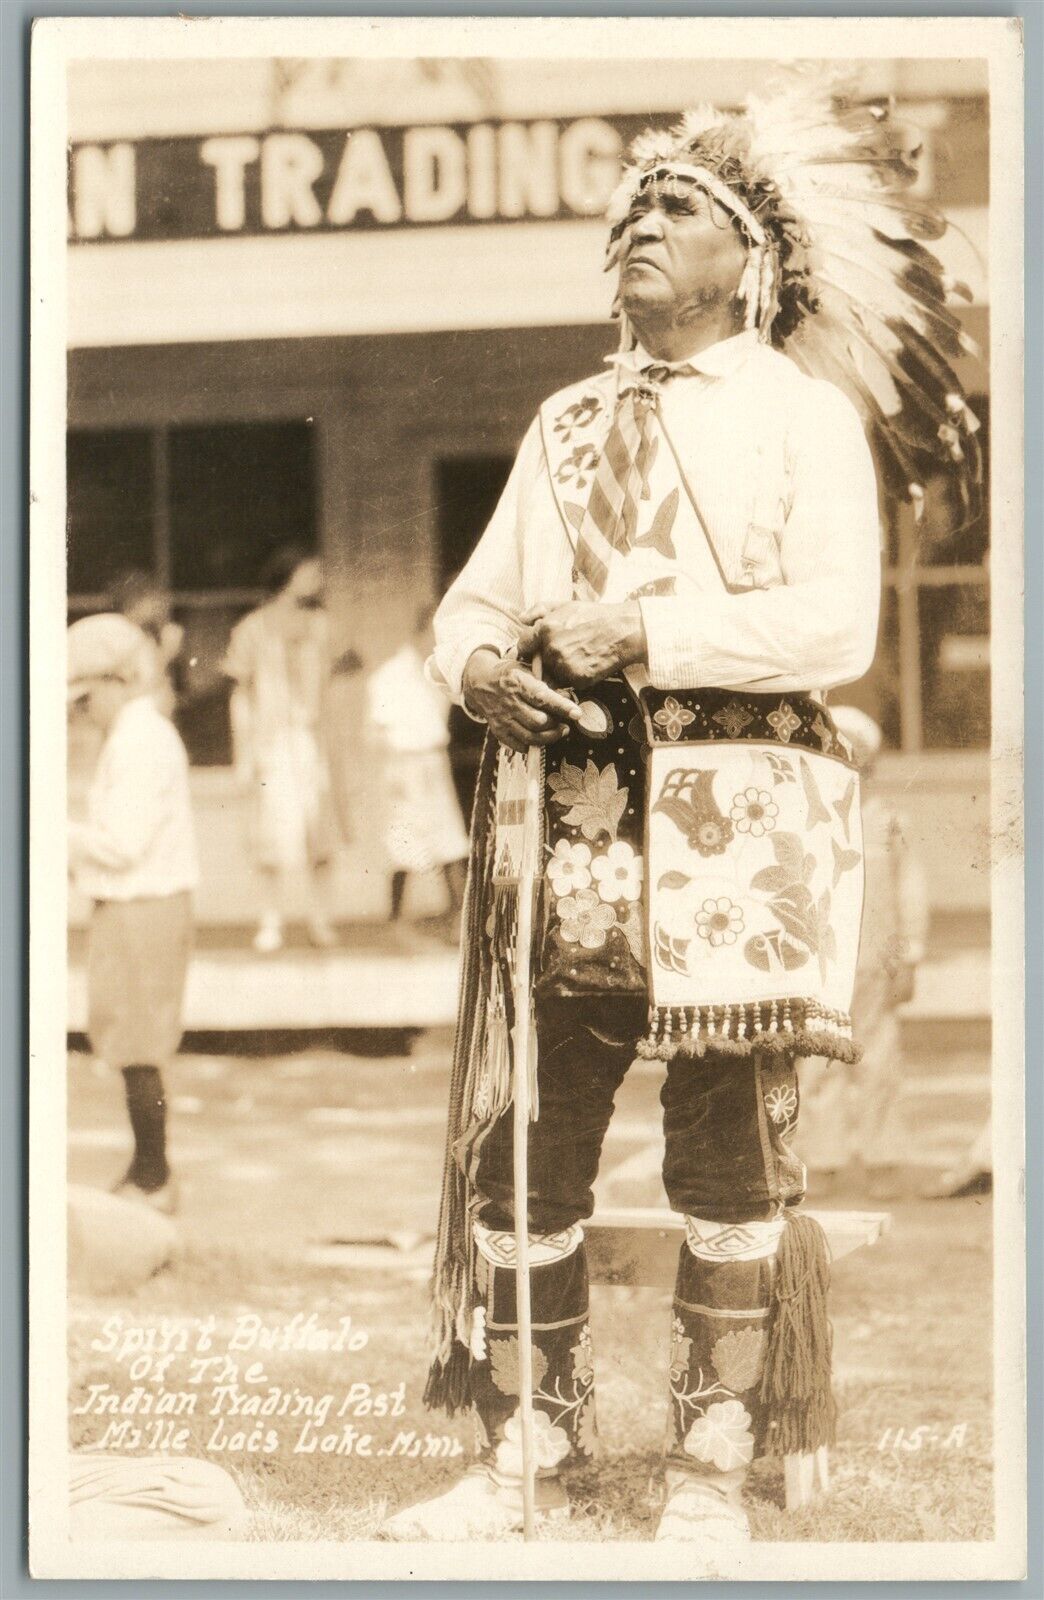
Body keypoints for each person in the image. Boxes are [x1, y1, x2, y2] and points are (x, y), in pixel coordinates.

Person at [384, 86, 980, 1555]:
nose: (639, 225)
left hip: (739, 820)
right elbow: (471, 606)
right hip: (578, 813)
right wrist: (478, 668)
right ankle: (530, 1447)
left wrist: (645, 632)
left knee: (724, 1141)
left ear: (751, 261)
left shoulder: (800, 416)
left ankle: (709, 1467)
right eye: (632, 209)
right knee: (531, 1132)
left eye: (678, 209)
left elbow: (836, 627)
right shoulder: (567, 420)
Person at [68, 613, 199, 1214]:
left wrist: (51, 829)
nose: (83, 711)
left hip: (144, 905)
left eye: (87, 697)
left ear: (116, 681)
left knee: (139, 1048)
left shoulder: (141, 740)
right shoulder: (128, 735)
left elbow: (123, 844)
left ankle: (155, 1176)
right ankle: (148, 1167)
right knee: (126, 1045)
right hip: (131, 905)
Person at [797, 707, 930, 1199]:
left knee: (878, 1059)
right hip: (819, 964)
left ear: (869, 764)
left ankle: (881, 1157)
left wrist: (909, 957)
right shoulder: (805, 820)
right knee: (817, 1061)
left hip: (876, 961)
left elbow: (909, 892)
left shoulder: (889, 822)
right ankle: (822, 1159)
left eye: (857, 759)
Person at [222, 547, 354, 954]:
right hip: (272, 744)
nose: (316, 578)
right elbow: (241, 695)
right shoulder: (252, 628)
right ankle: (270, 921)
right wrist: (245, 752)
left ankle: (321, 920)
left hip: (312, 743)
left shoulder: (323, 626)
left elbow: (340, 680)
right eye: (308, 571)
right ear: (287, 575)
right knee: (271, 836)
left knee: (321, 834)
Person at [366, 602, 470, 939]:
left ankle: (458, 919)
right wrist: (395, 774)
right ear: (422, 631)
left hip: (433, 761)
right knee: (404, 839)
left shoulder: (440, 673)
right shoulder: (391, 674)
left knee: (449, 839)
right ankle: (396, 920)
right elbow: (377, 730)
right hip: (404, 765)